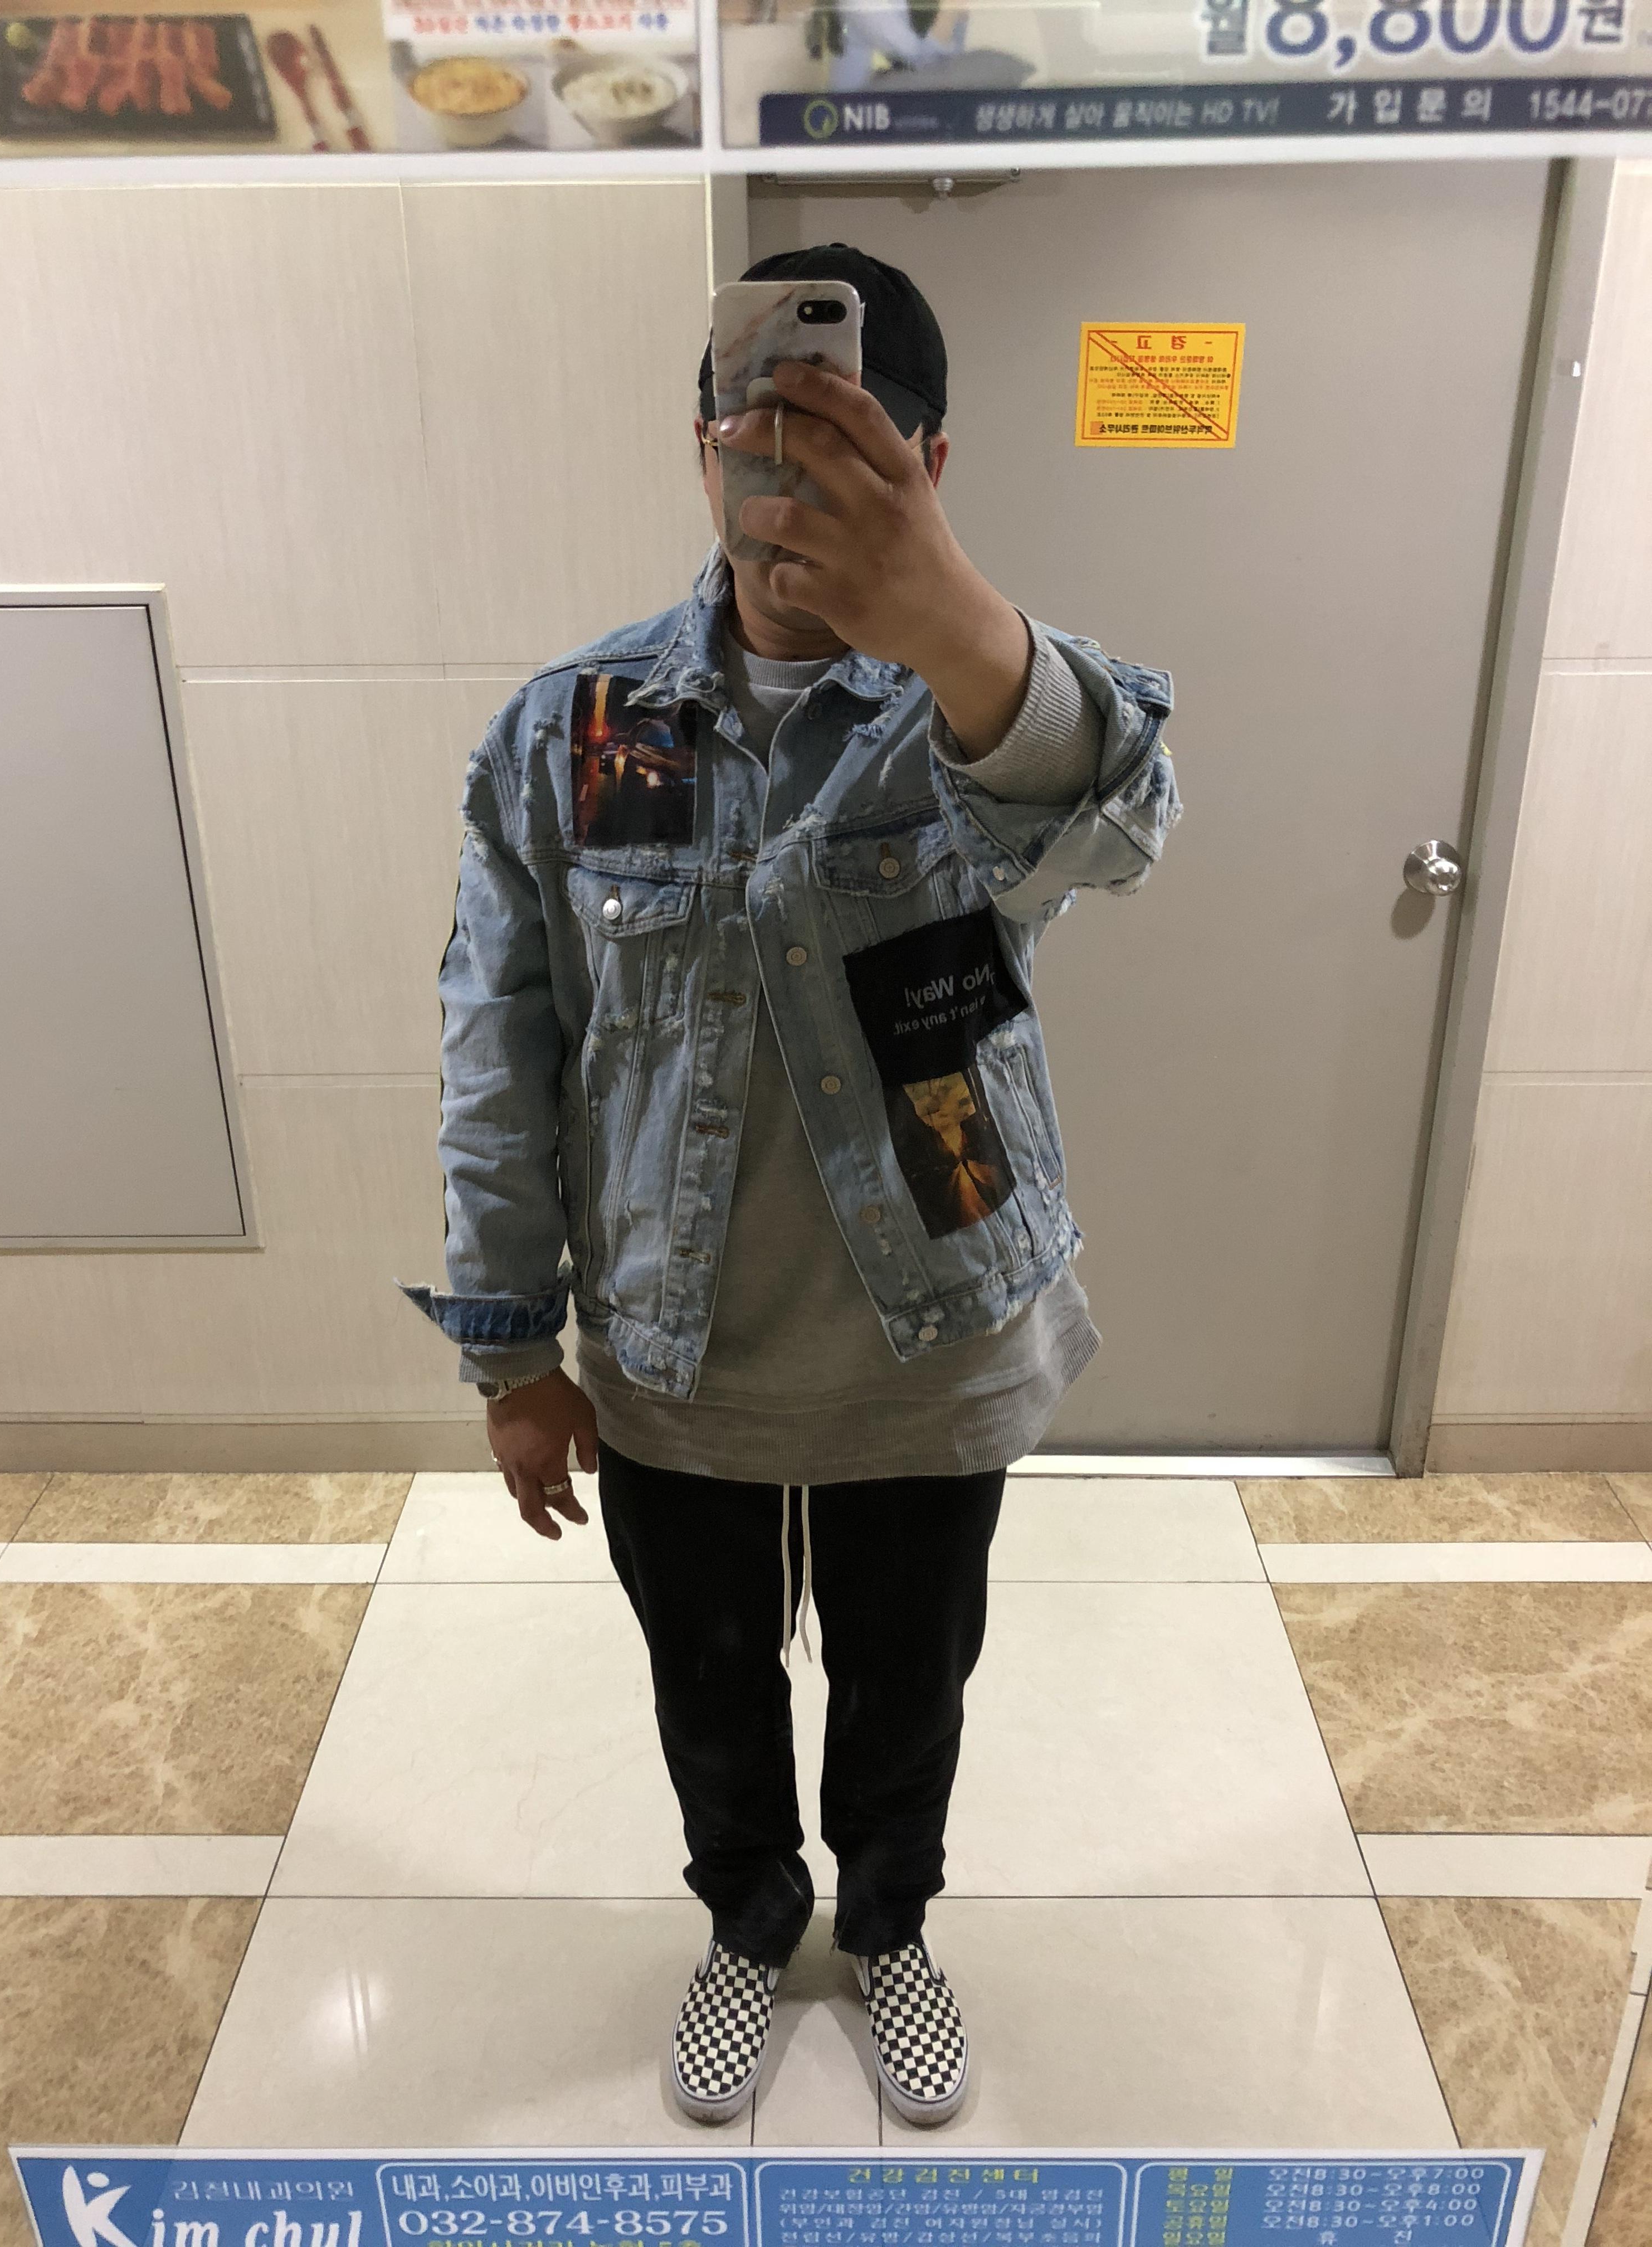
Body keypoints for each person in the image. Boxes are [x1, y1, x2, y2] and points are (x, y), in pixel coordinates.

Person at [398, 244, 1179, 2128]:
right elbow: (499, 1048)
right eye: (758, 430)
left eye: (847, 438)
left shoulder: (973, 700)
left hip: (934, 1342)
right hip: (676, 1359)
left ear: (929, 461)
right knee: (713, 1688)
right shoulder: (580, 727)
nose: (790, 475)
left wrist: (955, 619)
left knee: (909, 1686)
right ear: (700, 451)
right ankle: (751, 1925)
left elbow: (1117, 820)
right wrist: (511, 1351)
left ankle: (889, 1927)